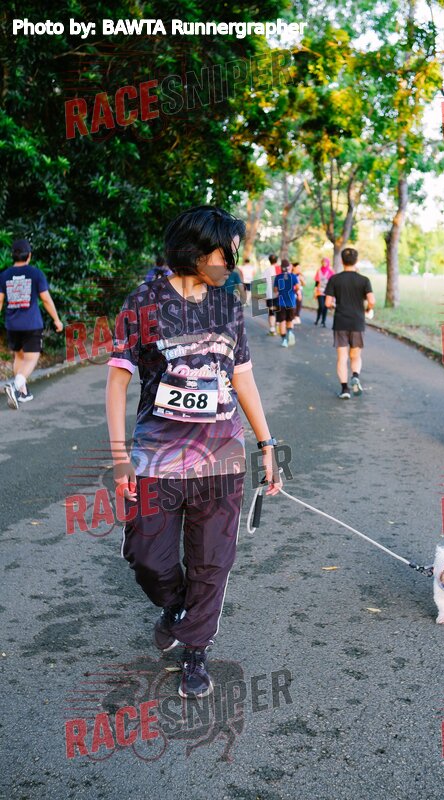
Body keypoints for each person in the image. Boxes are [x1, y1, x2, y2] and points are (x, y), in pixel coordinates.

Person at [106, 205, 282, 700]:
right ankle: (176, 606)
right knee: (147, 556)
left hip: (221, 458)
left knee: (212, 562)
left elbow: (242, 377)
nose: (232, 261)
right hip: (155, 459)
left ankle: (196, 648)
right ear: (197, 250)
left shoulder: (229, 307)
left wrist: (267, 443)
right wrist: (119, 456)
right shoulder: (143, 302)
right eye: (226, 251)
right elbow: (117, 382)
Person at [0, 238, 63, 409]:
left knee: (19, 356)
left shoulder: (4, 275)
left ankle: (22, 393)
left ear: (13, 255)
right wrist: (56, 320)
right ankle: (15, 387)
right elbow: (46, 299)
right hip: (31, 324)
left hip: (12, 325)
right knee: (32, 358)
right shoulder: (36, 274)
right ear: (29, 255)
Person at [325, 248, 375, 399]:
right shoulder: (364, 280)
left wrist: (334, 307)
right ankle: (355, 376)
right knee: (355, 355)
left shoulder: (335, 279)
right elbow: (372, 301)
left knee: (342, 357)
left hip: (340, 321)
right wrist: (368, 309)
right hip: (357, 322)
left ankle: (345, 389)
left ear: (342, 261)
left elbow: (327, 303)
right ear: (356, 261)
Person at [273, 259, 300, 348]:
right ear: (289, 267)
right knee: (290, 320)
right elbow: (297, 287)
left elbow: (275, 290)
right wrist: (294, 291)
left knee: (282, 321)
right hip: (291, 302)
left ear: (281, 267)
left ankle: (284, 340)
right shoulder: (293, 276)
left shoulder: (278, 277)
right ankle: (290, 332)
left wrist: (280, 290)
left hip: (281, 303)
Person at [263, 254, 280, 335]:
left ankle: (272, 329)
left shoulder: (267, 270)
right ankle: (279, 327)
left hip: (270, 293)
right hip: (280, 294)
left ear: (269, 261)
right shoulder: (280, 268)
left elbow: (263, 280)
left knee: (272, 311)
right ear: (277, 260)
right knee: (279, 310)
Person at [314, 257, 334, 327]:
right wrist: (315, 291)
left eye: (325, 262)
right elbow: (316, 283)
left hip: (327, 291)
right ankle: (317, 318)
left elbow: (332, 282)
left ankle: (323, 321)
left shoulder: (331, 271)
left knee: (326, 306)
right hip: (320, 291)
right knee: (321, 306)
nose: (324, 263)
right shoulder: (319, 271)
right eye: (323, 262)